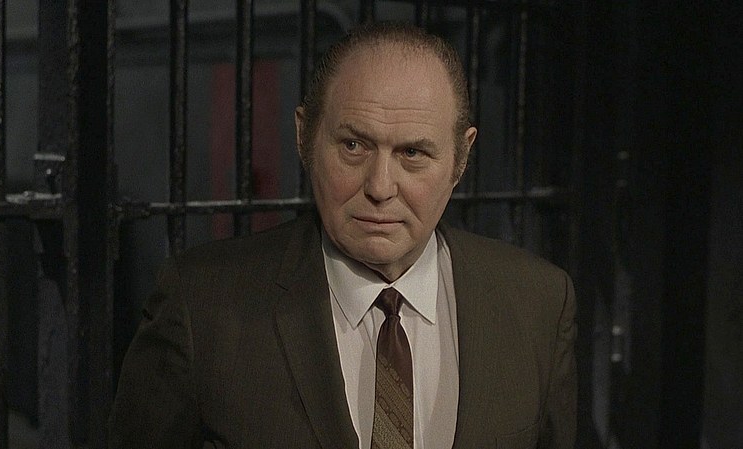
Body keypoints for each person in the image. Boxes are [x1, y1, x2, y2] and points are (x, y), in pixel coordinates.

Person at [109, 22, 576, 449]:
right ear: (304, 137)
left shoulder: (538, 303)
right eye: (354, 146)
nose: (380, 187)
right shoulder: (201, 305)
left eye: (413, 153)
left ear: (461, 157)